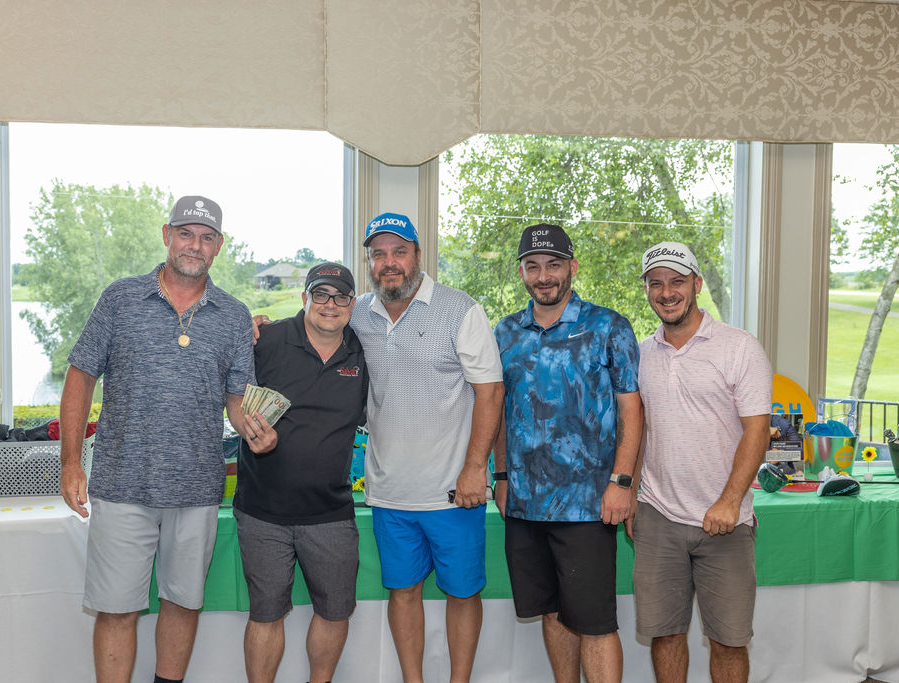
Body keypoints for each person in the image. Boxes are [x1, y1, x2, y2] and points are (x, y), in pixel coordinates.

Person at [59, 195, 276, 683]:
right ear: (166, 235)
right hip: (121, 485)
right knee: (116, 609)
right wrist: (71, 462)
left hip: (196, 489)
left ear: (219, 246)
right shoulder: (120, 299)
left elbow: (236, 399)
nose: (194, 245)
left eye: (206, 237)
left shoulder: (234, 315)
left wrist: (254, 431)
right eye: (185, 234)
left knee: (182, 604)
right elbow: (80, 376)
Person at [350, 212, 504, 683]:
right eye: (379, 254)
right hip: (388, 492)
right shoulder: (357, 313)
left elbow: (490, 392)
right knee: (402, 592)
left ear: (418, 255)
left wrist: (475, 468)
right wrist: (260, 325)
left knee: (463, 593)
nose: (389, 262)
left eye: (399, 252)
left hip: (452, 493)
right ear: (369, 262)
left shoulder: (460, 309)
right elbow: (313, 329)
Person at [491, 224, 644, 683]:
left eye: (553, 265)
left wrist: (622, 482)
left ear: (572, 267)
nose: (544, 276)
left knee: (595, 623)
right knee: (552, 611)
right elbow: (500, 410)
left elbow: (632, 411)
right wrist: (501, 477)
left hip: (588, 504)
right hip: (524, 502)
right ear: (522, 272)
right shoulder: (505, 332)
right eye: (533, 266)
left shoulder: (608, 327)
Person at [630, 241, 772, 683]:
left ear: (697, 284)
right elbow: (639, 430)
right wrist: (631, 494)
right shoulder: (641, 353)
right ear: (647, 290)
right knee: (665, 634)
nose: (666, 292)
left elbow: (757, 431)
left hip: (725, 521)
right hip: (658, 515)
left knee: (729, 639)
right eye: (656, 283)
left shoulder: (739, 347)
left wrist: (729, 501)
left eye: (677, 281)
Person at [233, 262, 368, 683]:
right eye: (321, 294)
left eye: (341, 296)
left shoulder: (364, 352)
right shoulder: (266, 340)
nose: (330, 304)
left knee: (335, 611)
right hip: (262, 512)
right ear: (305, 297)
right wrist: (242, 327)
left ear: (352, 304)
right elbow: (230, 390)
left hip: (331, 511)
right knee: (265, 614)